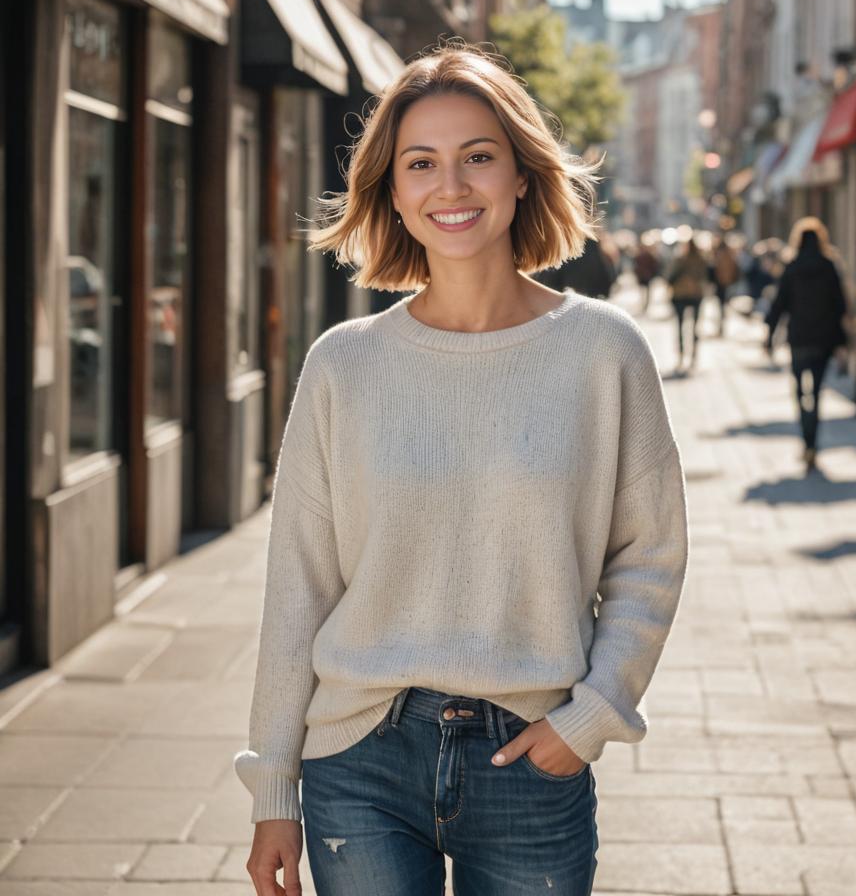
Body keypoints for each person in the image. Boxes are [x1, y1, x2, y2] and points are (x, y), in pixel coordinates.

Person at [233, 43, 690, 896]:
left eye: (478, 157)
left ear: (521, 175)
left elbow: (650, 556)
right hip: (357, 756)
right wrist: (274, 788)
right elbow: (297, 586)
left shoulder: (604, 353)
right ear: (393, 193)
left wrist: (590, 719)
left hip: (531, 756)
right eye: (421, 164)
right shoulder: (345, 364)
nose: (452, 186)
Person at [765, 217, 849, 471]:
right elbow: (840, 305)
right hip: (823, 339)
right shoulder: (829, 266)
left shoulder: (792, 267)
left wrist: (769, 335)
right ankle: (813, 441)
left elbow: (779, 303)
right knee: (817, 392)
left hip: (799, 338)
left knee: (801, 393)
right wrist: (843, 340)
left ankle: (807, 440)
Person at [664, 230, 707, 372]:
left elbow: (670, 277)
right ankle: (694, 355)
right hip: (696, 294)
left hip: (680, 294)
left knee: (680, 326)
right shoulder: (702, 260)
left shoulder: (680, 259)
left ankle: (682, 354)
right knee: (695, 327)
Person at [711, 236, 739, 336]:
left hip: (721, 283)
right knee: (723, 304)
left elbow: (716, 270)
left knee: (721, 304)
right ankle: (722, 322)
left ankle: (721, 323)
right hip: (727, 282)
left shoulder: (719, 255)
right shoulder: (730, 254)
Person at [632, 242, 661, 313]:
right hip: (646, 275)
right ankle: (645, 304)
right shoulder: (648, 255)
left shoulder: (641, 256)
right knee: (646, 291)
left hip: (643, 275)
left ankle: (644, 304)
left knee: (643, 291)